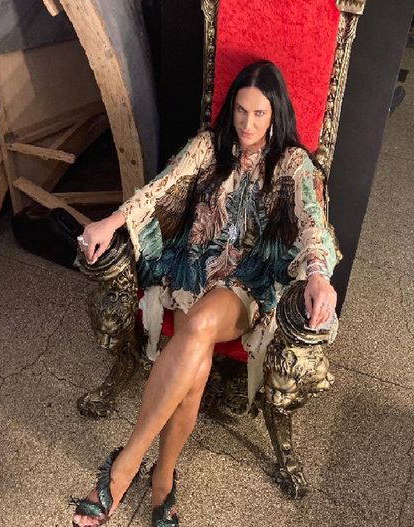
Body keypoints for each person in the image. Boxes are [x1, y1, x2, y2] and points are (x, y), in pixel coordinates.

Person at [71, 60, 337, 526]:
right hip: (192, 271)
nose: (247, 123)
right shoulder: (209, 145)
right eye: (240, 110)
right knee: (195, 362)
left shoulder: (292, 163)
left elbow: (312, 219)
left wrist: (318, 274)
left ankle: (124, 465)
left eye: (259, 113)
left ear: (275, 113)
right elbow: (159, 188)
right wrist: (112, 221)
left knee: (198, 327)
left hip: (246, 283)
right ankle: (163, 479)